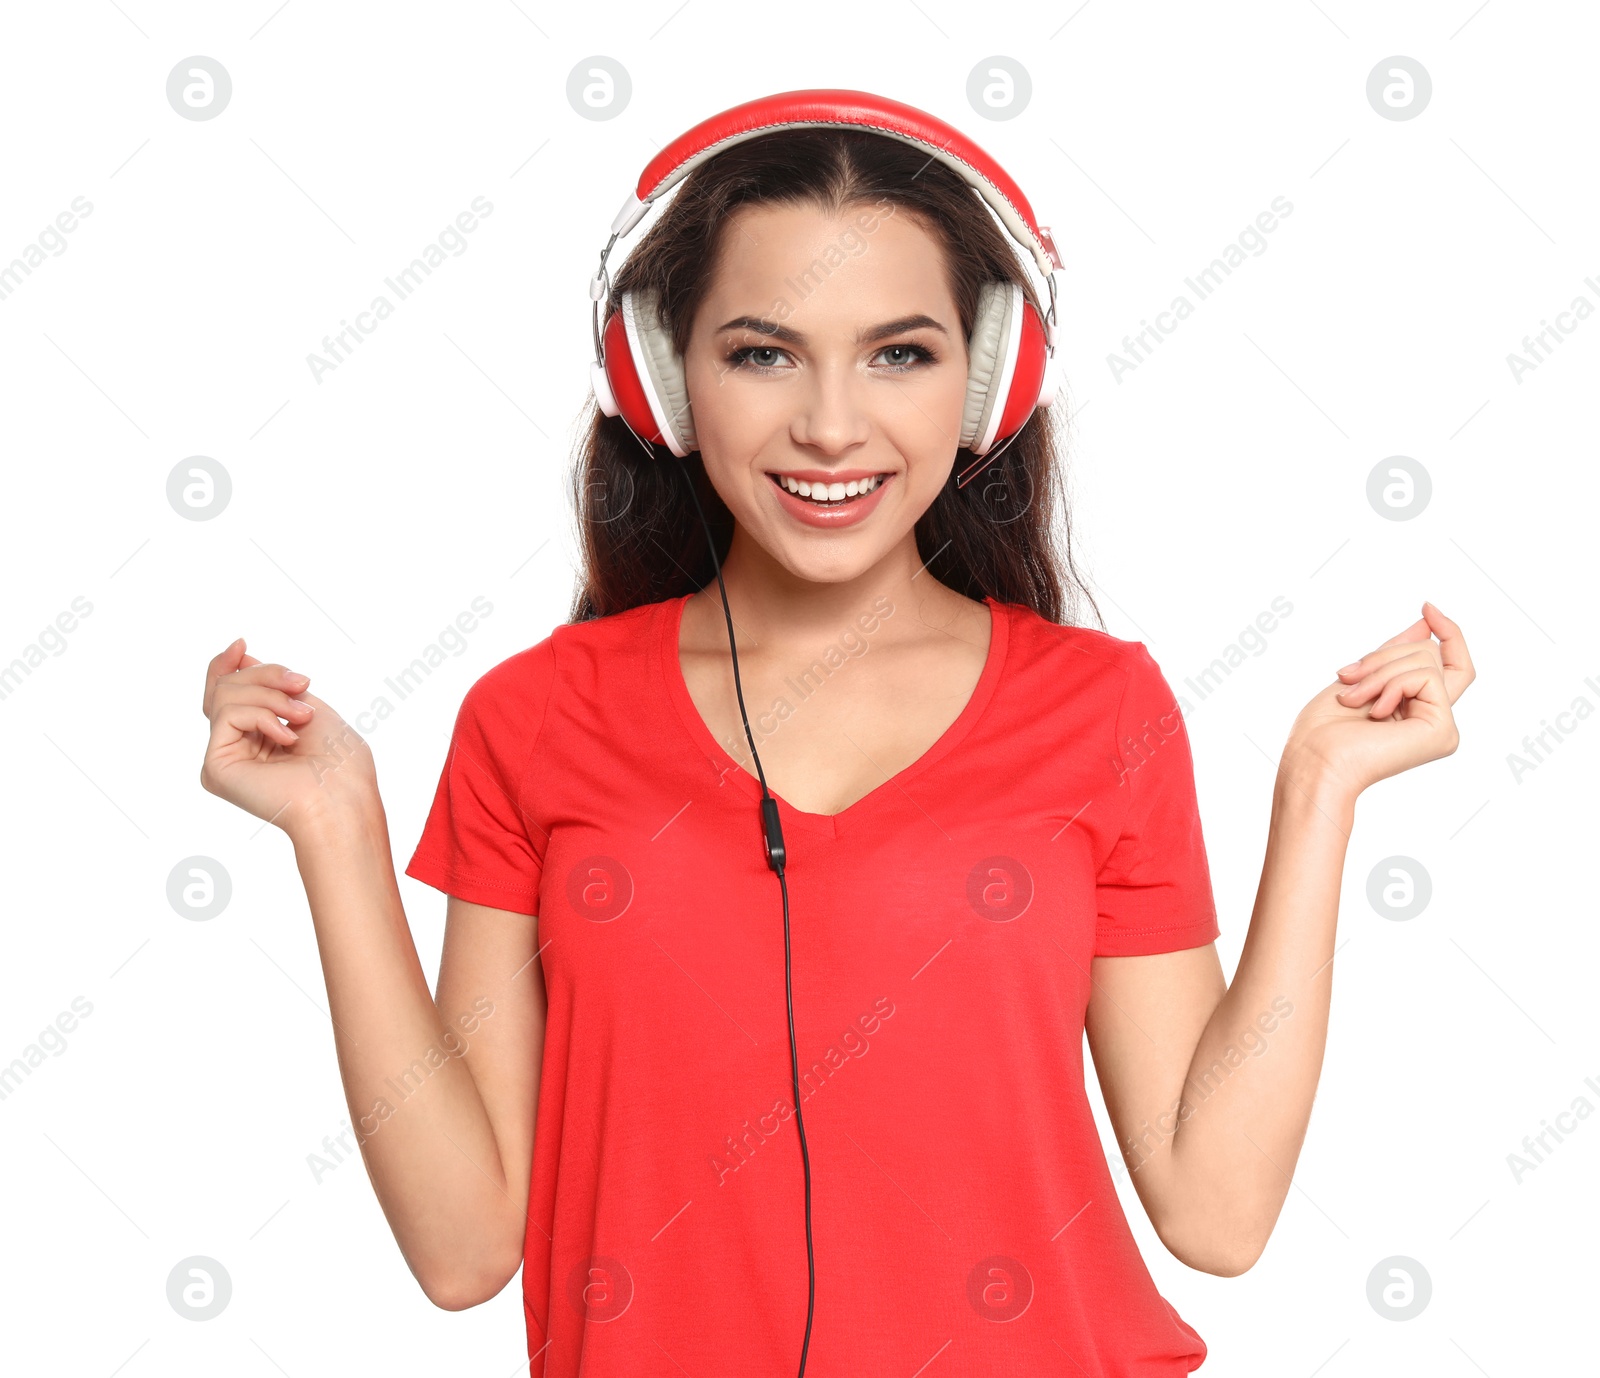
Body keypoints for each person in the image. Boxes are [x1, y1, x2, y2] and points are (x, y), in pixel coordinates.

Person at [198, 103, 1475, 1377]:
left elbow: (1218, 1209)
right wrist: (337, 827)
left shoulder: (1098, 710)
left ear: (984, 380)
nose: (828, 424)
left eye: (898, 355)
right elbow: (462, 1246)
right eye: (761, 354)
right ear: (664, 373)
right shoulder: (536, 718)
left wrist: (1321, 789)